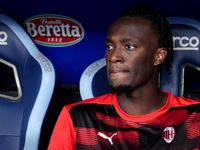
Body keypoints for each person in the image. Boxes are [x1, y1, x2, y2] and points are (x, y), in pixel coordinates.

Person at [48, 5, 200, 150]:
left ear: (158, 56)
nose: (113, 57)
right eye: (109, 47)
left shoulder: (195, 119)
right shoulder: (77, 117)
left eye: (129, 47)